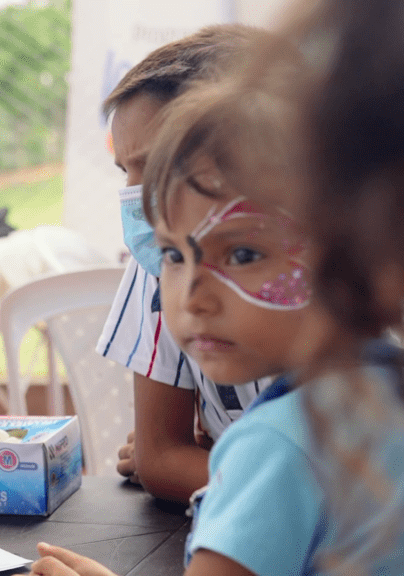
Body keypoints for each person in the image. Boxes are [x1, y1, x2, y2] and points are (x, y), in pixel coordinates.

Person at [30, 23, 404, 573]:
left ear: (339, 247)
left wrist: (235, 480)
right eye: (174, 256)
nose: (192, 297)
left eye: (243, 255)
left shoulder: (273, 450)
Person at [95, 24, 274, 502]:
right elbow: (159, 459)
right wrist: (228, 463)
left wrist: (226, 463)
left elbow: (337, 491)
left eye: (153, 166)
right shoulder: (159, 255)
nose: (136, 196)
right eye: (126, 171)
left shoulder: (318, 263)